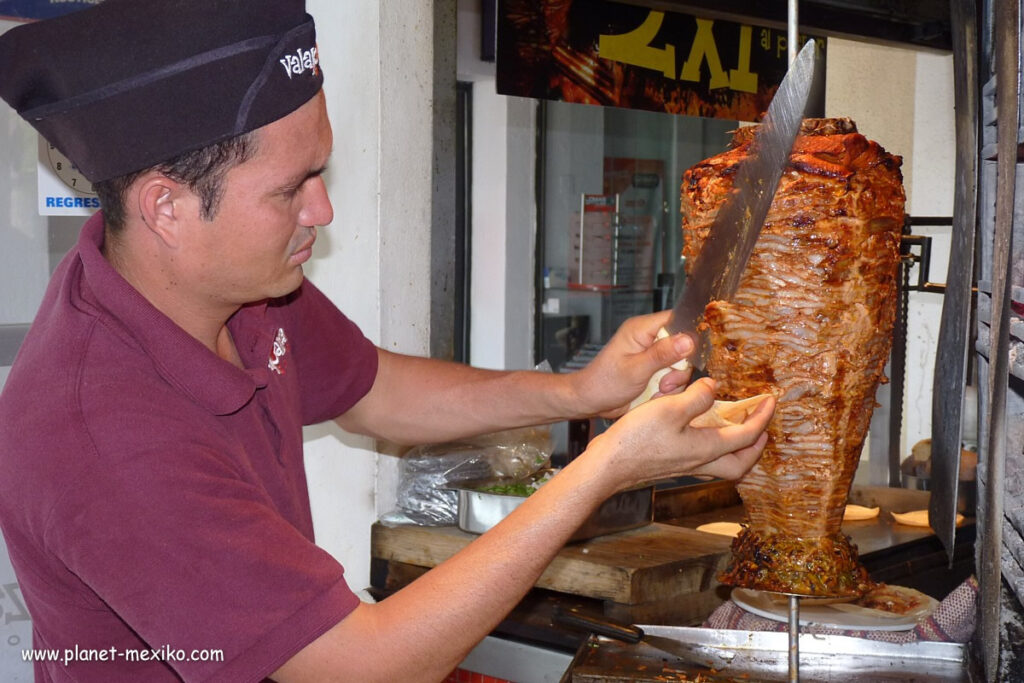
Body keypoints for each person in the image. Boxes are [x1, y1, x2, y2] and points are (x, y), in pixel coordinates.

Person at [0, 1, 775, 681]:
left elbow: (375, 388)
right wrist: (605, 467)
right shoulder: (99, 429)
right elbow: (363, 666)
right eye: (289, 189)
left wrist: (581, 392)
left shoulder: (237, 288)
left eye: (321, 171)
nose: (323, 210)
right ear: (167, 207)